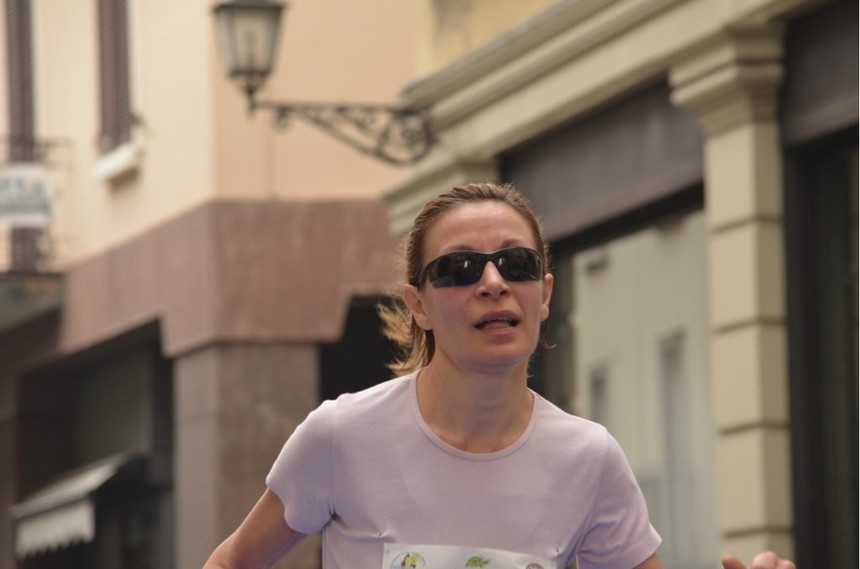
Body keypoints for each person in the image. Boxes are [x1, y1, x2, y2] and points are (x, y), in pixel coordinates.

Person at [204, 183, 795, 569]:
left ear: (544, 294)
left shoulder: (587, 458)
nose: (493, 283)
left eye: (516, 263)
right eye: (460, 268)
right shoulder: (342, 436)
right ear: (418, 304)